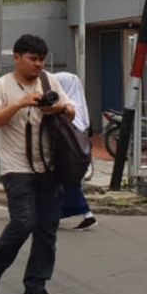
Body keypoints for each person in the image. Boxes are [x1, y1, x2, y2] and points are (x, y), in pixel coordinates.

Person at [0, 34, 76, 294]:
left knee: (47, 229)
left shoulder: (49, 81)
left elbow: (71, 111)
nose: (38, 65)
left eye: (42, 59)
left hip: (49, 166)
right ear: (17, 58)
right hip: (16, 168)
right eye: (33, 59)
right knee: (23, 222)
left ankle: (36, 286)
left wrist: (56, 108)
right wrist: (20, 104)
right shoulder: (1, 86)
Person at [53, 71, 98, 230]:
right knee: (67, 185)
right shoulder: (81, 106)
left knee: (65, 185)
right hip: (80, 155)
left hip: (68, 155)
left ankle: (85, 213)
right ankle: (59, 216)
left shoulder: (68, 107)